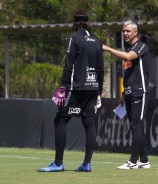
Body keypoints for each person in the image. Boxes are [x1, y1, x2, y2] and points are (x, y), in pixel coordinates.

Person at [39, 10, 104, 172]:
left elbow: (68, 66)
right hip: (92, 88)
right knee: (89, 123)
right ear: (88, 22)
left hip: (76, 88)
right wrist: (99, 91)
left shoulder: (72, 39)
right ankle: (87, 163)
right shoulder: (97, 40)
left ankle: (58, 163)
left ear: (75, 23)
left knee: (60, 120)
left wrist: (62, 87)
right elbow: (101, 68)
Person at [102, 20, 150, 169]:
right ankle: (144, 160)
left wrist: (109, 49)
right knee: (136, 127)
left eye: (128, 31)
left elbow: (128, 57)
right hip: (130, 93)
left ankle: (133, 161)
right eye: (123, 31)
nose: (125, 33)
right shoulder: (129, 48)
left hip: (139, 92)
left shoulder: (140, 46)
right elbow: (129, 74)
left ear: (136, 32)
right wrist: (123, 93)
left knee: (136, 126)